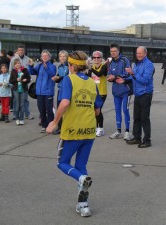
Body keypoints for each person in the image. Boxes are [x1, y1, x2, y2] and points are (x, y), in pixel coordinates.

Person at [46, 51, 102, 217]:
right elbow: (97, 110)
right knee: (81, 165)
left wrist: (54, 122)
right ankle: (83, 205)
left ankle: (81, 179)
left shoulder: (68, 80)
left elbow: (64, 102)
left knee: (62, 163)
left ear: (70, 66)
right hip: (90, 130)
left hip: (72, 130)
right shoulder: (93, 83)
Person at [125, 46, 155, 148]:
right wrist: (123, 79)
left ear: (145, 54)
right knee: (136, 117)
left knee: (144, 118)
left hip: (145, 94)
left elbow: (145, 80)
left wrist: (133, 73)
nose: (138, 55)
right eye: (137, 53)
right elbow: (133, 77)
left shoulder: (149, 65)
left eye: (140, 53)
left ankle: (147, 140)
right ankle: (137, 138)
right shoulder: (137, 64)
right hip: (137, 94)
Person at [107, 43, 133, 140]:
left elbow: (128, 73)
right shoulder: (110, 62)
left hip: (126, 90)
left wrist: (116, 76)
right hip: (116, 91)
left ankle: (127, 131)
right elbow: (109, 73)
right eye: (111, 51)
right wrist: (110, 78)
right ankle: (118, 130)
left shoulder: (125, 60)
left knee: (125, 110)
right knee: (117, 111)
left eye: (115, 51)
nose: (113, 53)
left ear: (118, 51)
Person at [28, 50, 56, 133]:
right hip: (39, 92)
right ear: (41, 57)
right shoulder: (39, 65)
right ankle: (44, 125)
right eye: (43, 56)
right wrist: (31, 66)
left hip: (48, 92)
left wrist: (46, 67)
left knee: (49, 110)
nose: (44, 57)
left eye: (46, 56)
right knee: (41, 109)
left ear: (49, 57)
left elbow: (52, 74)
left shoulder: (52, 66)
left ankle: (51, 125)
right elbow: (32, 72)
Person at [9, 45, 34, 120]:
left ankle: (27, 114)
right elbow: (10, 70)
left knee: (25, 100)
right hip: (16, 84)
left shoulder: (28, 59)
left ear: (24, 51)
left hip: (24, 84)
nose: (21, 51)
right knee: (16, 100)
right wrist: (13, 81)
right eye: (19, 50)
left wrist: (32, 65)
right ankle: (15, 115)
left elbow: (31, 69)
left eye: (22, 50)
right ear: (17, 51)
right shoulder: (13, 59)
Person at [88, 50, 108, 137]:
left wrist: (90, 68)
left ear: (101, 58)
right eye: (94, 57)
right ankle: (95, 127)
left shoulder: (104, 66)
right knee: (93, 111)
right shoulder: (91, 68)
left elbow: (99, 74)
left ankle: (101, 128)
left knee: (98, 110)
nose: (96, 59)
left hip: (101, 92)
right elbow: (88, 78)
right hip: (93, 92)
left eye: (98, 57)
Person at [52, 50, 69, 135]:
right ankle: (60, 127)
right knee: (59, 109)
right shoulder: (59, 67)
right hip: (60, 89)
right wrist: (56, 78)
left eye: (64, 56)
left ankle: (66, 127)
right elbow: (60, 77)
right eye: (61, 56)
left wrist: (59, 78)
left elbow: (67, 77)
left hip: (67, 90)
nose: (62, 58)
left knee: (67, 109)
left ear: (67, 57)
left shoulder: (69, 66)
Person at [9, 58, 31, 125]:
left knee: (22, 104)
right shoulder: (13, 71)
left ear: (20, 64)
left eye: (19, 63)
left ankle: (21, 119)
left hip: (23, 90)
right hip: (16, 90)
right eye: (16, 64)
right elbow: (11, 81)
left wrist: (25, 80)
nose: (18, 65)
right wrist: (16, 80)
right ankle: (17, 118)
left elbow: (29, 79)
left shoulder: (25, 70)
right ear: (14, 65)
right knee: (17, 104)